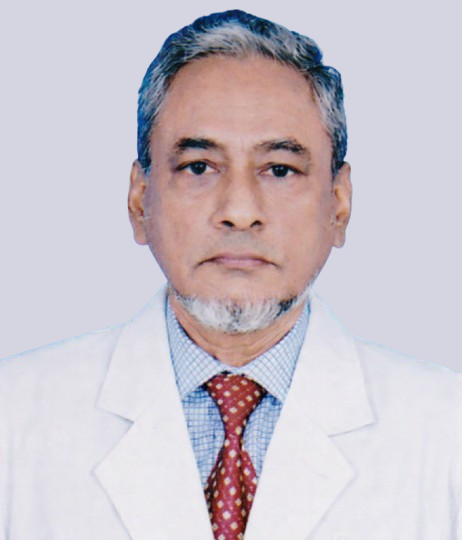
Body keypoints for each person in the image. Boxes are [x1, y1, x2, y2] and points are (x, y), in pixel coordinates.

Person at [0, 9, 460, 540]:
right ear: (139, 200)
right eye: (199, 167)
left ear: (339, 204)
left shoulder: (447, 431)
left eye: (280, 169)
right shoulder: (15, 417)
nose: (240, 211)